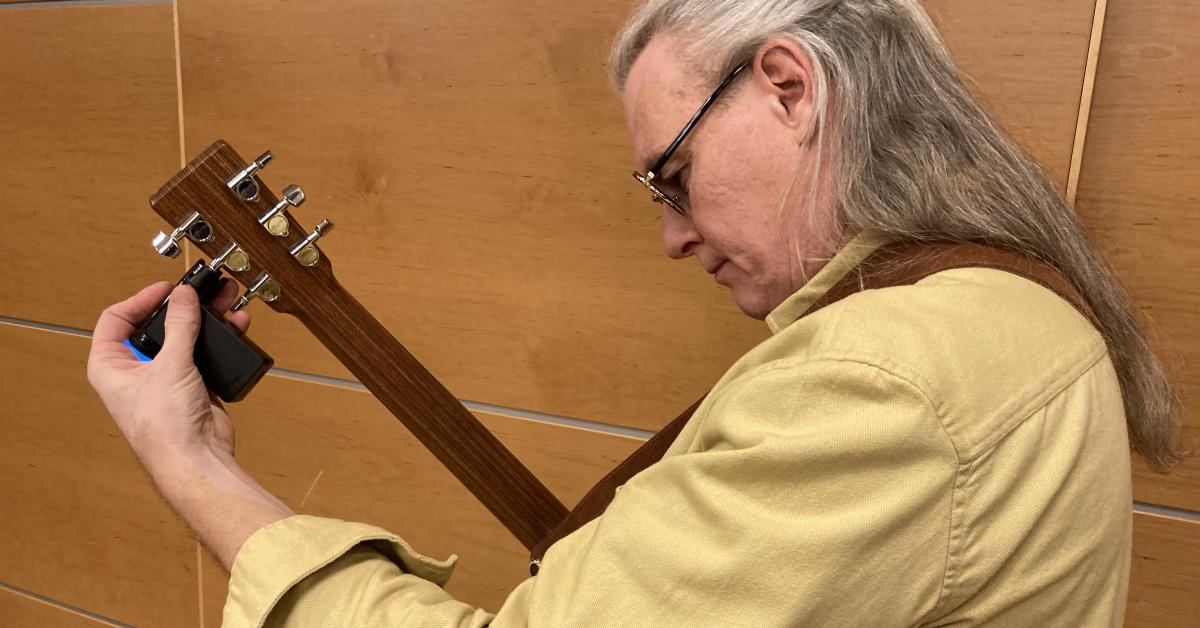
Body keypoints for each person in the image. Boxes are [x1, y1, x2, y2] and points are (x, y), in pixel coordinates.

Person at [87, 1, 1187, 626]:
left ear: (790, 87)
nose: (672, 233)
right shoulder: (1000, 314)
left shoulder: (895, 376)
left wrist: (191, 463)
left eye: (673, 174)